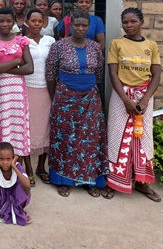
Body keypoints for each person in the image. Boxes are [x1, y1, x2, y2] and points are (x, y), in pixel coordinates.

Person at [45, 11, 108, 198]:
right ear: (70, 25)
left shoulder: (95, 47)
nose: (80, 29)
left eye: (84, 26)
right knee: (63, 139)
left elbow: (99, 74)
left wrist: (91, 93)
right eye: (77, 25)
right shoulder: (58, 46)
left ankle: (89, 179)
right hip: (64, 99)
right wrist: (56, 97)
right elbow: (50, 74)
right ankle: (62, 180)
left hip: (90, 99)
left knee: (89, 141)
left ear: (89, 27)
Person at [102, 7, 162, 202]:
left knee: (143, 138)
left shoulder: (151, 46)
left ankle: (142, 183)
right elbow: (113, 73)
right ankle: (114, 182)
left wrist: (144, 100)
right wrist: (126, 100)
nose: (128, 26)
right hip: (122, 96)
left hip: (144, 96)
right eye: (125, 22)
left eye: (132, 22)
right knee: (117, 137)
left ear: (141, 22)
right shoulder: (117, 44)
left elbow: (156, 75)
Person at [0, 7, 33, 159]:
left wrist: (3, 69)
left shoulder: (22, 41)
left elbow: (29, 68)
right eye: (1, 21)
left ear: (14, 22)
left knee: (16, 127)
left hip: (17, 92)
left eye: (9, 21)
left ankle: (16, 168)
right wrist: (17, 61)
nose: (5, 24)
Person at [23, 9, 55, 185]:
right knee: (26, 130)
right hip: (26, 89)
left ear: (44, 23)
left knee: (45, 129)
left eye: (39, 21)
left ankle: (41, 167)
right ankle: (28, 168)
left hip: (46, 90)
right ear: (27, 21)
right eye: (33, 20)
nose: (36, 24)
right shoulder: (21, 41)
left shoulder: (50, 41)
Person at [0, 142, 31, 225]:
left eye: (8, 159)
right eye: (1, 159)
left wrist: (13, 166)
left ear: (13, 158)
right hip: (2, 198)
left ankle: (19, 208)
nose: (5, 162)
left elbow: (27, 185)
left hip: (16, 198)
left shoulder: (17, 166)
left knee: (24, 185)